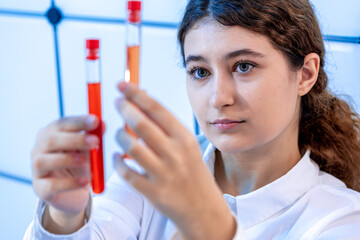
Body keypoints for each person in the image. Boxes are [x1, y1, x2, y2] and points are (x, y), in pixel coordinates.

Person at [24, 0, 360, 239]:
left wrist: (214, 230)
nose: (217, 98)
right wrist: (65, 217)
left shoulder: (340, 219)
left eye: (243, 66)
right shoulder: (155, 170)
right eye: (200, 71)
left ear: (305, 73)